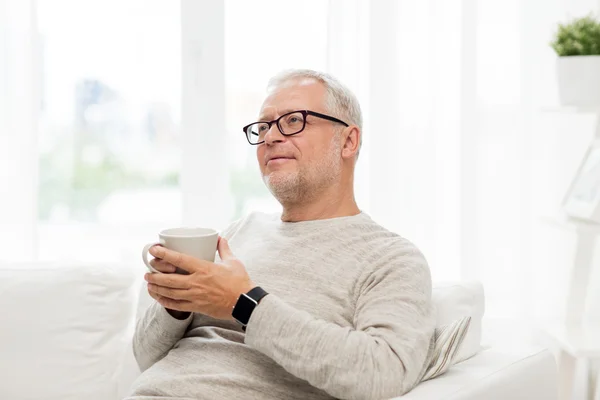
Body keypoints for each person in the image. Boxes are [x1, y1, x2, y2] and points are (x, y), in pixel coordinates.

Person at [126, 69, 435, 400]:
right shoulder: (239, 232)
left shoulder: (392, 258)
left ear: (348, 140)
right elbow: (146, 357)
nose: (270, 137)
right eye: (264, 127)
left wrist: (243, 303)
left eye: (293, 121)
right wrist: (176, 303)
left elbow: (384, 373)